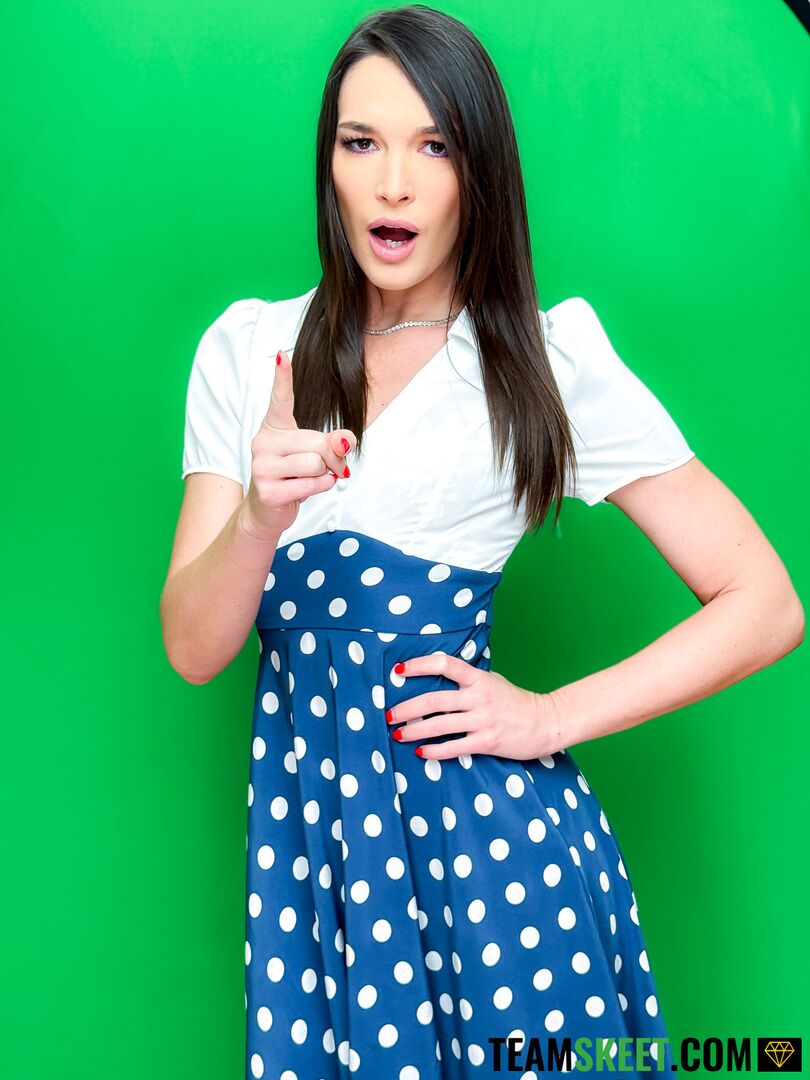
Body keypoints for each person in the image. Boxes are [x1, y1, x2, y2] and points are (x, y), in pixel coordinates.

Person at [160, 7, 804, 1078]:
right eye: (361, 142)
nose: (393, 185)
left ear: (478, 172)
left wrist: (546, 715)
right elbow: (192, 648)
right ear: (330, 162)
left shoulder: (540, 365)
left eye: (434, 147)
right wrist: (261, 518)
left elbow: (765, 602)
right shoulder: (249, 350)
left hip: (495, 866)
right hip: (321, 871)